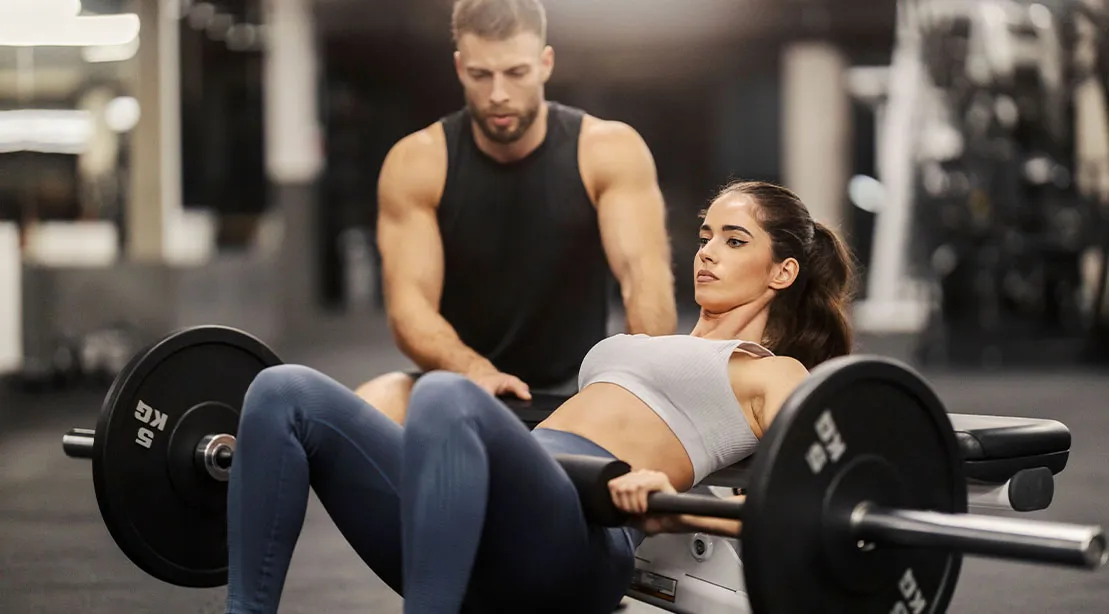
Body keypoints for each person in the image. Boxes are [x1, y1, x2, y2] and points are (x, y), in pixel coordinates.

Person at [224, 180, 858, 614]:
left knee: (446, 397)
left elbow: (790, 506)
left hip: (575, 541)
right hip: (484, 511)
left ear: (783, 272)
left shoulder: (774, 373)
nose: (707, 253)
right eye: (705, 235)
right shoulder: (648, 343)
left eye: (735, 240)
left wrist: (670, 508)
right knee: (285, 391)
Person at [354, 0, 678, 424]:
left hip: (575, 387)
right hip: (463, 379)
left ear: (545, 64)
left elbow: (644, 280)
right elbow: (409, 306)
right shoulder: (418, 162)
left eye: (516, 73)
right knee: (369, 404)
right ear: (459, 68)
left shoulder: (607, 150)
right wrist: (475, 370)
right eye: (480, 75)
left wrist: (632, 389)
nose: (499, 94)